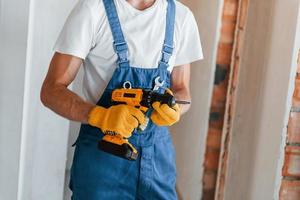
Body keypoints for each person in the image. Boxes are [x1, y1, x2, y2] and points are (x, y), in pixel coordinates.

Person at [41, 0, 203, 199]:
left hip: (158, 160)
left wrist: (174, 107)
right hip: (104, 156)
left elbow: (182, 91)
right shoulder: (93, 11)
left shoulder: (181, 17)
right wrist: (99, 115)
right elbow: (51, 90)